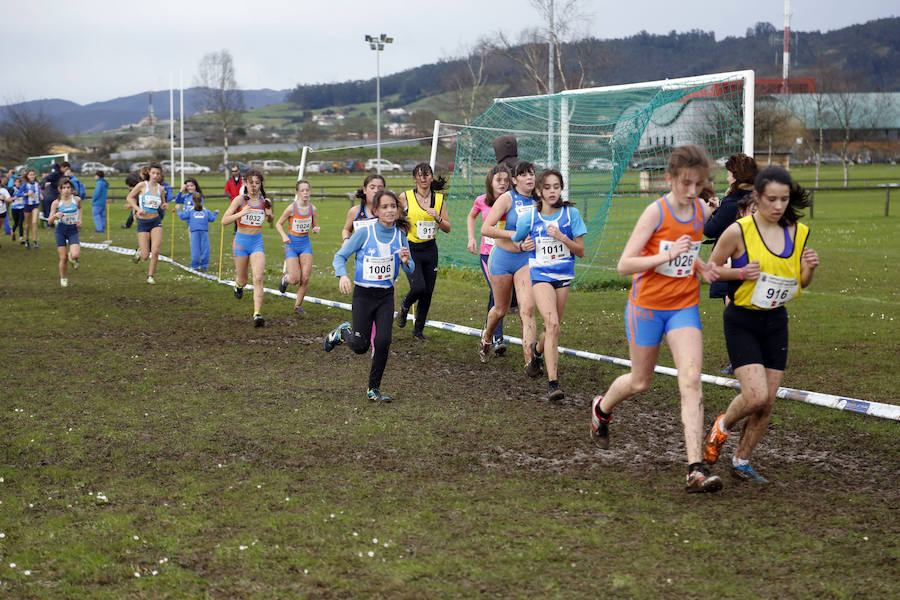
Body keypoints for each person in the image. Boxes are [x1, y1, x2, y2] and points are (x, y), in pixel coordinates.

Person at [588, 144, 722, 494]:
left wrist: (701, 266)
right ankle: (601, 409)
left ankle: (695, 467)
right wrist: (669, 255)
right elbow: (624, 264)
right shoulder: (655, 212)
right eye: (686, 183)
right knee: (640, 382)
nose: (693, 191)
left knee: (691, 379)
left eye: (699, 184)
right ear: (670, 178)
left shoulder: (698, 212)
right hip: (646, 307)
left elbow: (687, 251)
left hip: (683, 306)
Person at [703, 166, 818, 484]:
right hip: (742, 320)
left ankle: (741, 461)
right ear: (757, 197)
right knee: (754, 396)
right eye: (771, 199)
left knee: (767, 402)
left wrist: (809, 269)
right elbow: (709, 271)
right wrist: (741, 274)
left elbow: (800, 282)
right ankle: (722, 427)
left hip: (776, 321)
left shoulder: (798, 231)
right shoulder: (738, 231)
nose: (778, 206)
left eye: (783, 199)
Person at [323, 190, 414, 403]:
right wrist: (342, 275)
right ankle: (342, 332)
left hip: (385, 296)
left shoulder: (400, 236)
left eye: (393, 206)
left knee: (383, 342)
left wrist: (407, 261)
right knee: (360, 346)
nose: (390, 210)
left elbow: (410, 269)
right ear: (375, 211)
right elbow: (340, 256)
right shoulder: (365, 233)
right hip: (363, 295)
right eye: (385, 207)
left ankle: (373, 389)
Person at [510, 169, 586, 401]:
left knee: (553, 328)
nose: (552, 191)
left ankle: (537, 351)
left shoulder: (571, 214)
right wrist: (524, 245)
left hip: (563, 277)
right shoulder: (530, 218)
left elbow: (581, 251)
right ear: (539, 192)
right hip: (540, 276)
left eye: (556, 187)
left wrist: (562, 237)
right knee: (552, 324)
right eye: (548, 187)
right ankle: (553, 383)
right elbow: (514, 241)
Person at [479, 161, 539, 374]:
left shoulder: (539, 200)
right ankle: (487, 338)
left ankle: (530, 362)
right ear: (515, 180)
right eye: (523, 175)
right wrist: (513, 235)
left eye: (532, 174)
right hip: (502, 259)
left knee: (528, 308)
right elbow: (486, 228)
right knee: (500, 309)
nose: (529, 178)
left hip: (525, 260)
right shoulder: (507, 199)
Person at [704, 154, 759, 370]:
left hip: (734, 263)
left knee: (734, 315)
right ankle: (752, 357)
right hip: (759, 260)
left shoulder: (733, 202)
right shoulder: (760, 197)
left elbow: (709, 229)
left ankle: (740, 361)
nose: (726, 178)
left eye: (728, 173)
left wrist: (711, 211)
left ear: (736, 176)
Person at [394, 163, 450, 341]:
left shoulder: (439, 199)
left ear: (431, 178)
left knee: (427, 292)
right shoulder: (406, 197)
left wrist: (437, 217)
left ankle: (418, 331)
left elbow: (447, 227)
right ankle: (404, 306)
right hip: (412, 248)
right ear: (415, 178)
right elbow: (394, 218)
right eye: (420, 175)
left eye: (427, 175)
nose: (424, 178)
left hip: (430, 249)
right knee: (418, 287)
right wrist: (403, 227)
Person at [467, 165, 511, 356]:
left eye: (505, 180)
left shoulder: (513, 201)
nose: (502, 184)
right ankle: (497, 339)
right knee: (496, 291)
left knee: (500, 296)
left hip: (508, 254)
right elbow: (471, 216)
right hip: (488, 255)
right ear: (490, 182)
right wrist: (471, 237)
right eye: (498, 180)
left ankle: (488, 332)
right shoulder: (482, 201)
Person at [221, 169, 273, 327]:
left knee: (258, 278)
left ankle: (257, 314)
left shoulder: (265, 201)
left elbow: (269, 219)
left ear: (260, 184)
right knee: (243, 280)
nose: (254, 186)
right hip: (241, 243)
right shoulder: (239, 200)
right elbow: (224, 221)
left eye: (257, 183)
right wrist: (241, 213)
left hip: (257, 242)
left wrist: (270, 214)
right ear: (245, 183)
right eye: (251, 183)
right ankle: (238, 285)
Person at [276, 180, 320, 314]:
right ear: (297, 193)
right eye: (302, 190)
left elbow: (314, 225)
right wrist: (284, 236)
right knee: (295, 279)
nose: (306, 193)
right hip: (291, 244)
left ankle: (297, 306)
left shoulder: (313, 209)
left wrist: (316, 228)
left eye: (307, 190)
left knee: (305, 277)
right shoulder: (291, 208)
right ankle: (285, 278)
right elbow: (279, 224)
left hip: (305, 244)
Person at [125, 162, 168, 284]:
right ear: (149, 172)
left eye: (158, 174)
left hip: (156, 221)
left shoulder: (161, 189)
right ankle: (140, 252)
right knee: (145, 256)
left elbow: (163, 203)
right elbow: (129, 197)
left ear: (160, 175)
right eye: (153, 173)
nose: (155, 176)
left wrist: (164, 205)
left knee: (155, 250)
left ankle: (150, 276)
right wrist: (138, 209)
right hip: (143, 223)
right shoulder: (142, 185)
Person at [46, 177, 82, 287]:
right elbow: (49, 222)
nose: (66, 190)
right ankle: (63, 278)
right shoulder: (56, 203)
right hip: (60, 230)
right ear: (59, 189)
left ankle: (73, 259)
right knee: (63, 258)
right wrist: (55, 215)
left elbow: (80, 208)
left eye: (68, 188)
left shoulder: (76, 200)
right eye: (64, 188)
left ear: (71, 189)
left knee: (75, 254)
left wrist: (80, 219)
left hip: (73, 230)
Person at [177, 191, 218, 270]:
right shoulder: (206, 210)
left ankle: (195, 265)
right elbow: (212, 219)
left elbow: (182, 216)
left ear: (192, 200)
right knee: (205, 249)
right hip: (204, 232)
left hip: (194, 233)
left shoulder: (191, 210)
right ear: (202, 200)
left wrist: (178, 209)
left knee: (195, 249)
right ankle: (204, 266)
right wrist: (215, 213)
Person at [341, 174, 383, 242]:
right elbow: (346, 230)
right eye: (372, 188)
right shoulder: (355, 211)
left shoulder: (390, 211)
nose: (376, 191)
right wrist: (346, 239)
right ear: (364, 190)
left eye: (380, 188)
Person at [15, 169, 42, 248]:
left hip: (35, 205)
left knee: (34, 222)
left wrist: (40, 196)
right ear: (27, 176)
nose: (32, 176)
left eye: (33, 174)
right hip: (27, 205)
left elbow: (39, 191)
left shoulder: (37, 184)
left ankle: (35, 241)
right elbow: (19, 194)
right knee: (28, 224)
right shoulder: (25, 184)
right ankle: (27, 239)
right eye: (30, 175)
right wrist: (27, 194)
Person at [9, 176, 26, 243]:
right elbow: (8, 198)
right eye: (17, 182)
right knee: (16, 223)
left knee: (20, 223)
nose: (18, 183)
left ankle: (21, 238)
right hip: (14, 208)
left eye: (19, 182)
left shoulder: (23, 189)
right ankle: (12, 231)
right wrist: (13, 198)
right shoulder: (12, 189)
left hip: (22, 208)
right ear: (14, 183)